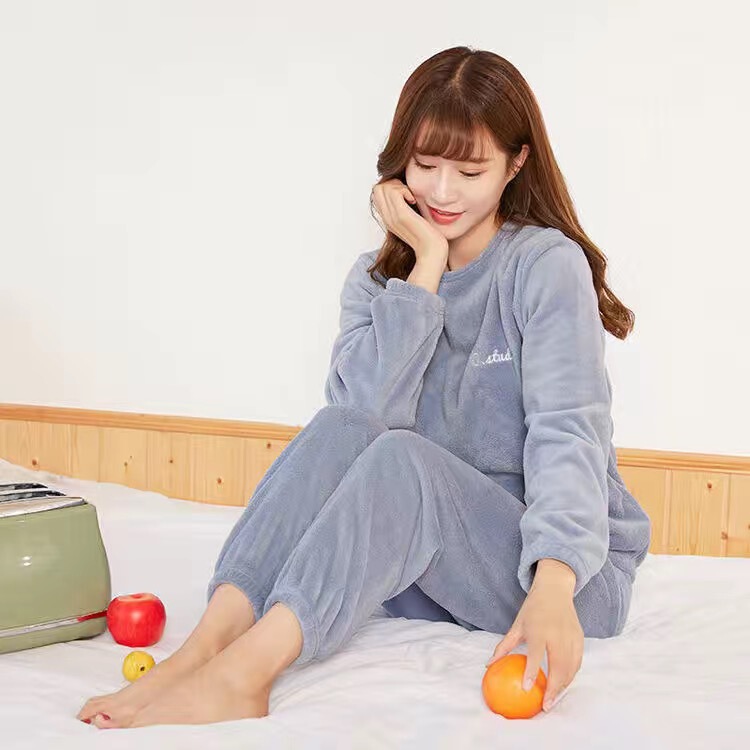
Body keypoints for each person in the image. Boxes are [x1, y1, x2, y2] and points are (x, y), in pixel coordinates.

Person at [76, 45, 652, 729]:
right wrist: (426, 266)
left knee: (403, 459)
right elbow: (364, 421)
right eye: (426, 165)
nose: (442, 192)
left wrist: (556, 583)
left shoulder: (543, 265)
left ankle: (245, 674)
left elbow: (569, 429)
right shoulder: (378, 282)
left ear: (516, 163)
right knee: (342, 423)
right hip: (424, 571)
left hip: (557, 576)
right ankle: (203, 648)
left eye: (470, 171)